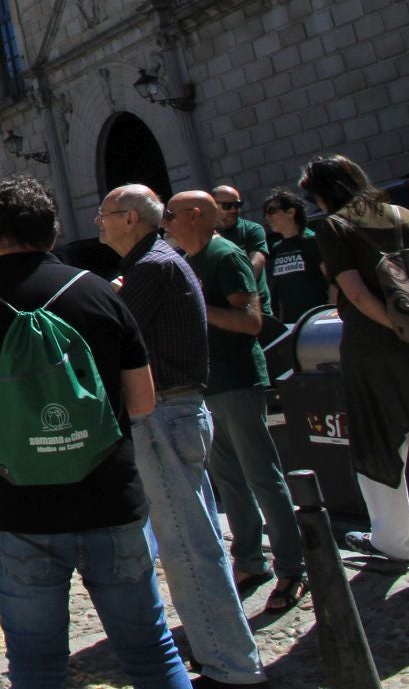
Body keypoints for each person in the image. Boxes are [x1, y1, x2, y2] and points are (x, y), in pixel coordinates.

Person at [0, 175, 187, 689]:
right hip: (112, 501)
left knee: (36, 664)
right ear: (53, 231)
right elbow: (142, 401)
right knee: (152, 653)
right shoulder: (102, 292)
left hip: (19, 510)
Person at [99, 185, 264, 688]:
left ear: (130, 219)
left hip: (165, 414)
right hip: (174, 412)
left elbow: (109, 333)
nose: (99, 222)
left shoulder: (152, 267)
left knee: (189, 548)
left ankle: (231, 669)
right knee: (192, 541)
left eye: (105, 214)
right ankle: (224, 653)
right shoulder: (158, 261)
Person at [301, 154, 409, 583]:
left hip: (376, 351)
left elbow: (357, 295)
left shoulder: (333, 226)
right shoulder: (406, 215)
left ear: (324, 192)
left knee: (378, 447)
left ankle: (392, 541)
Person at [166, 190, 306, 615]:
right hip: (208, 386)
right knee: (228, 481)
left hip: (238, 382)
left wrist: (196, 308)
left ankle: (292, 567)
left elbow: (250, 321)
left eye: (171, 215)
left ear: (193, 216)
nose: (166, 222)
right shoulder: (188, 261)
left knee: (262, 475)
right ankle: (249, 560)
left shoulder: (225, 256)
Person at [260, 189, 332, 325]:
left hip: (318, 320)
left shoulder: (312, 241)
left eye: (272, 211)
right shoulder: (277, 248)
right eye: (265, 213)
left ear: (291, 212)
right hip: (291, 324)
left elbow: (334, 282)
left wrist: (331, 316)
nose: (267, 218)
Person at [212, 185, 270, 282]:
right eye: (227, 206)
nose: (234, 210)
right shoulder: (207, 234)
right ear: (213, 206)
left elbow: (256, 265)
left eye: (237, 205)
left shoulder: (252, 230)